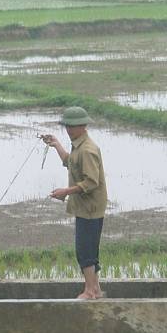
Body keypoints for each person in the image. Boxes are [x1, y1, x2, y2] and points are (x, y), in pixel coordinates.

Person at [41, 106, 108, 299]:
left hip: (90, 208)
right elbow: (70, 162)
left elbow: (91, 181)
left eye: (72, 127)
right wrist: (56, 145)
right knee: (90, 249)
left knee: (85, 250)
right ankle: (95, 289)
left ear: (83, 126)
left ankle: (89, 291)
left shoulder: (87, 150)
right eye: (66, 127)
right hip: (88, 207)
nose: (68, 130)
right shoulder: (79, 146)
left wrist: (66, 192)